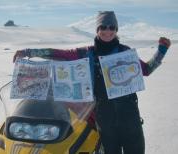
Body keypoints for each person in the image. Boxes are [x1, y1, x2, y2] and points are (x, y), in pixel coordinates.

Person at [13, 11, 171, 154]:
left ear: (116, 30)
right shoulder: (86, 53)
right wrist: (29, 52)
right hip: (104, 118)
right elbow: (59, 54)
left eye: (112, 27)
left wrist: (161, 51)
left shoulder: (125, 52)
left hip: (129, 118)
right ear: (97, 29)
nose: (108, 31)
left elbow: (147, 70)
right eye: (103, 27)